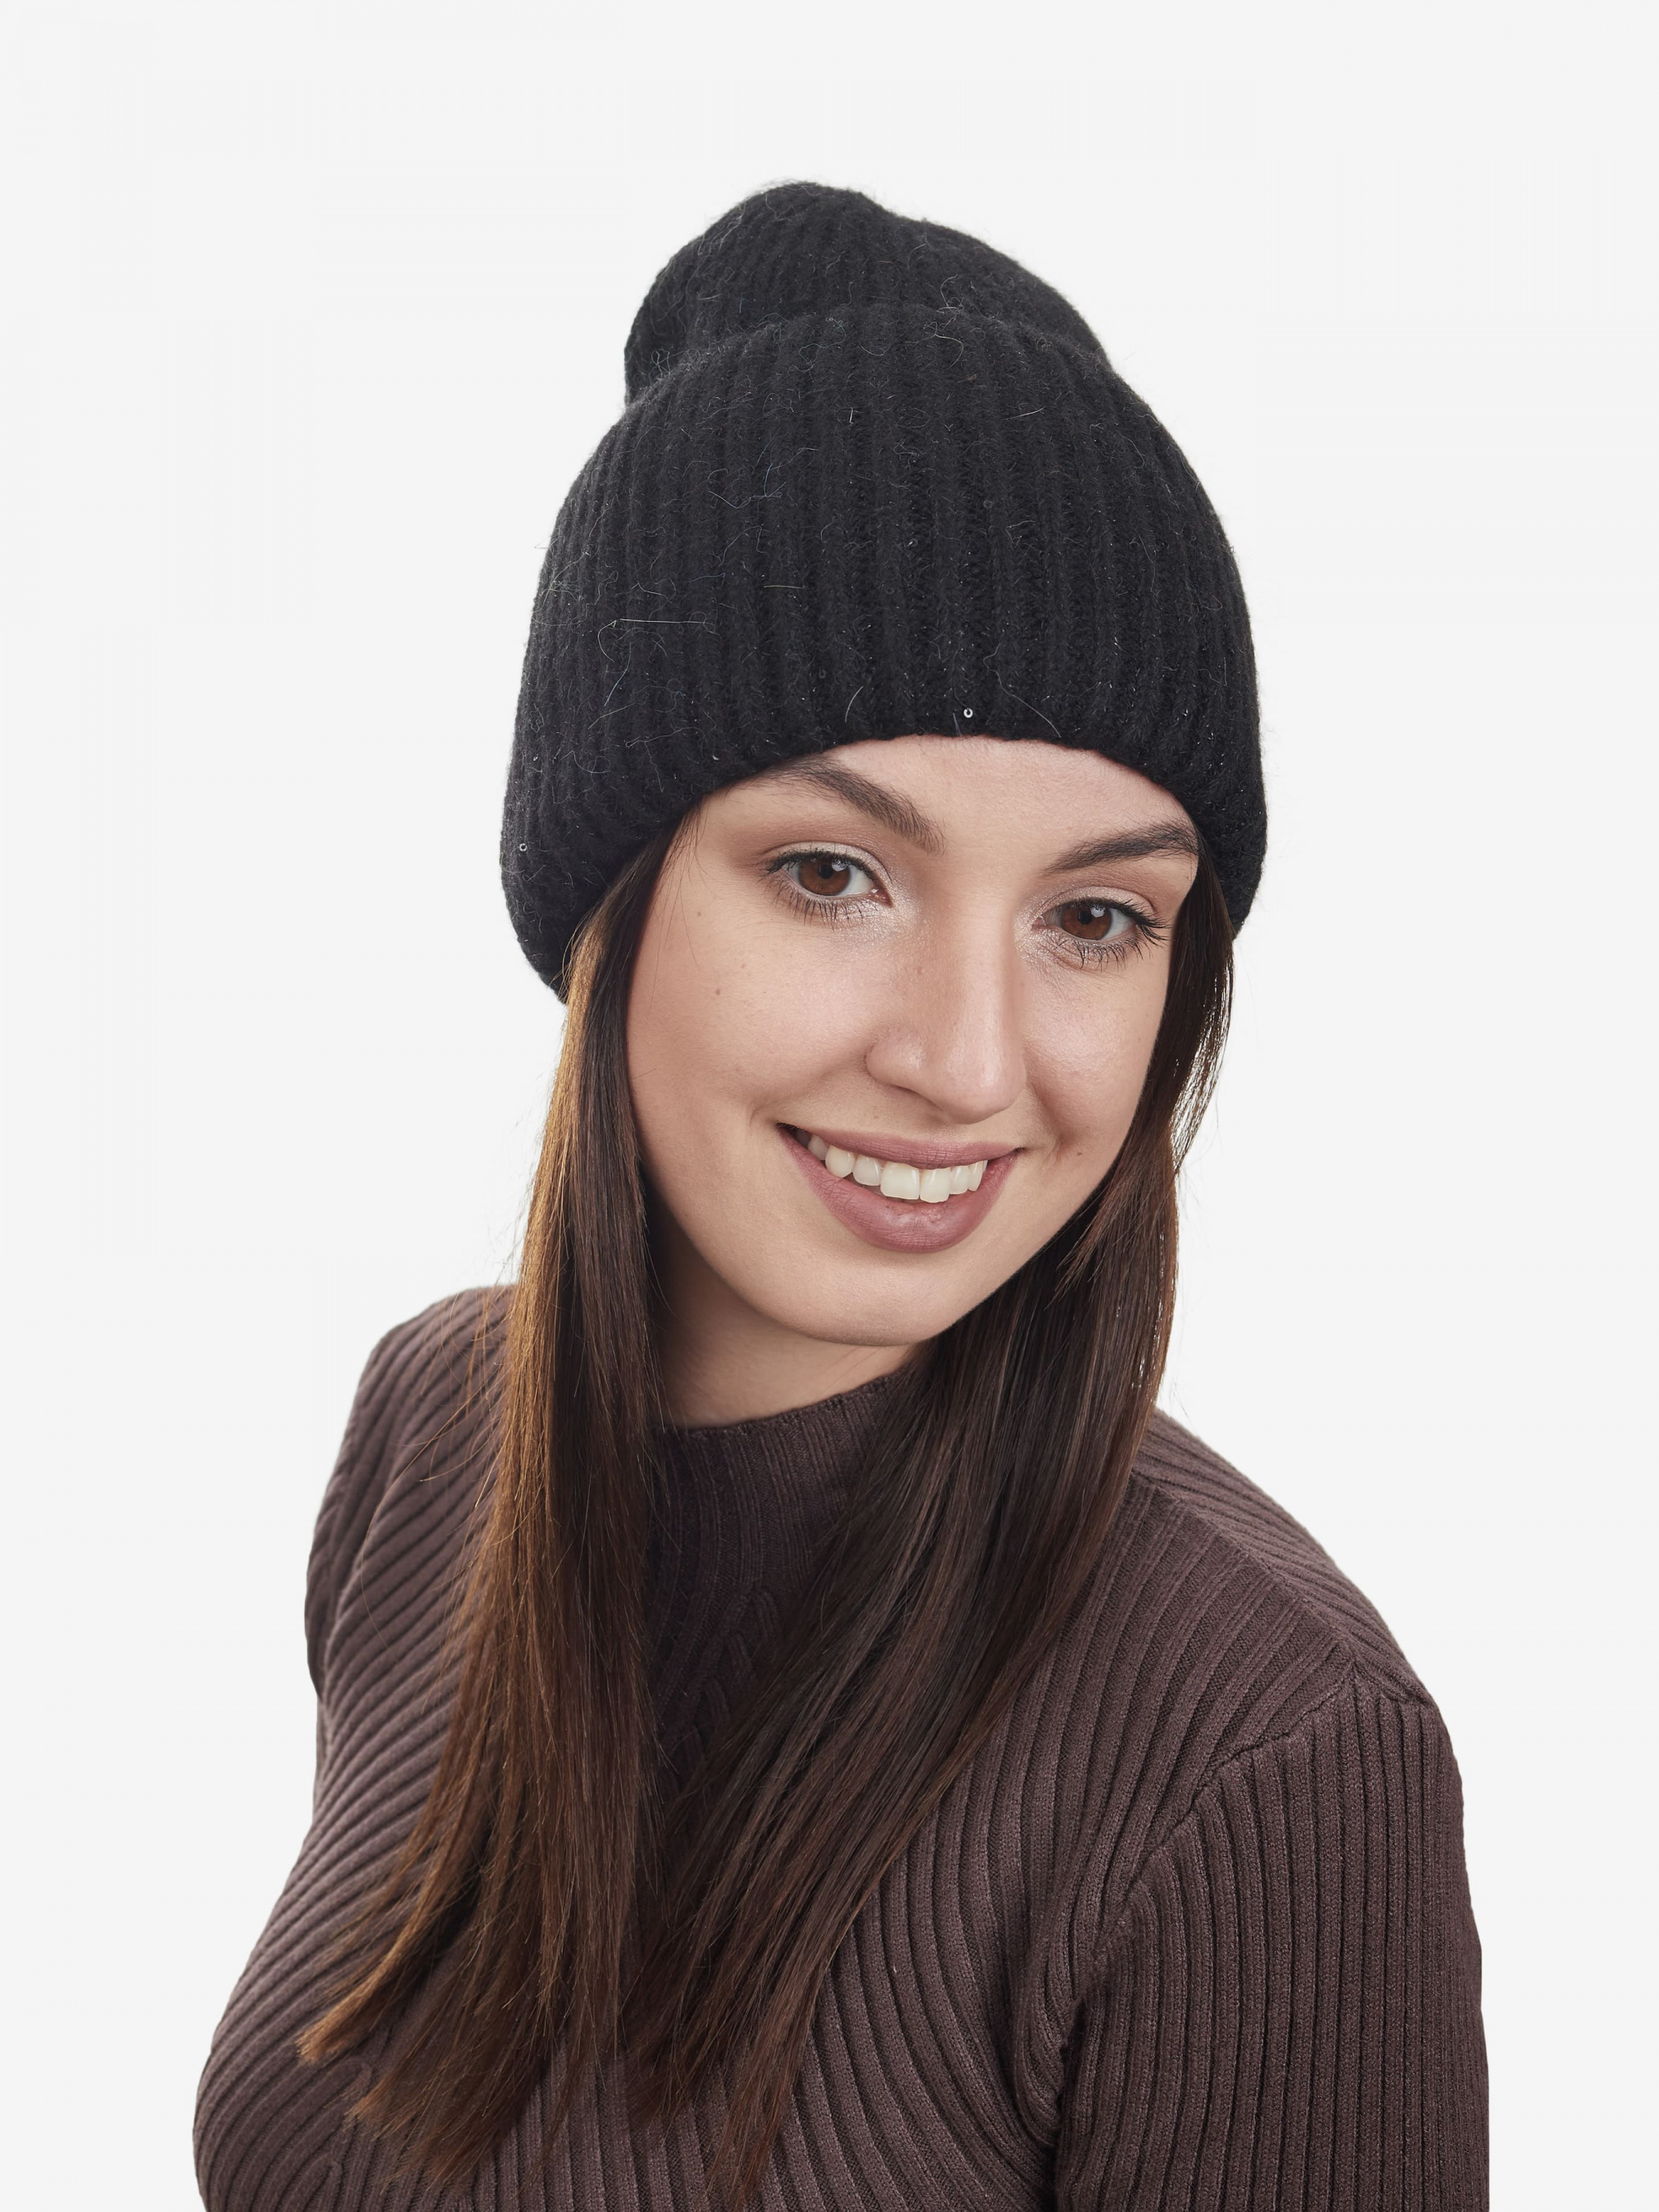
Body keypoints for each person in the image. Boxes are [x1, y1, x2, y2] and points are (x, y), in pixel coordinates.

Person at [195, 184, 1488, 2211]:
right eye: (832, 875)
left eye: (1092, 917)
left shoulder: (1266, 1748)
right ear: (610, 899)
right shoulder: (436, 1431)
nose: (967, 1062)